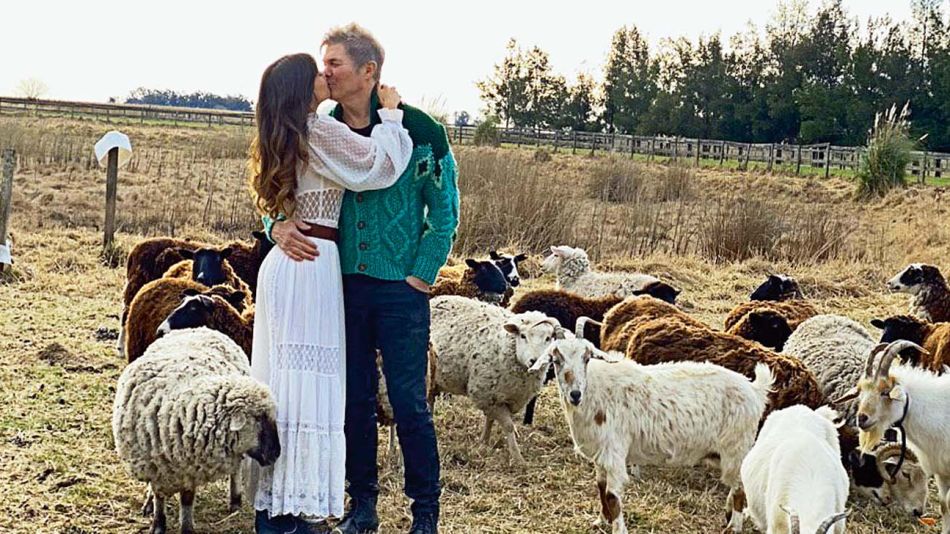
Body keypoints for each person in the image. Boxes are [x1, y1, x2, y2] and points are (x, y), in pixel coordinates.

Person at [268, 24, 459, 534]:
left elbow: (445, 213)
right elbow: (283, 186)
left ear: (368, 71)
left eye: (334, 64)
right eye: (322, 65)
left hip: (401, 289)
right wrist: (275, 225)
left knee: (408, 402)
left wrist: (422, 274)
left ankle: (425, 513)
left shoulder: (420, 129)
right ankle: (363, 505)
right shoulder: (323, 124)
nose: (324, 72)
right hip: (340, 284)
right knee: (351, 400)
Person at [248, 52, 413, 534]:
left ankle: (277, 505)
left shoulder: (284, 134)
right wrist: (393, 114)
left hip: (286, 265)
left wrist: (275, 225)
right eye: (317, 73)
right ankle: (290, 515)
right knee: (305, 388)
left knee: (283, 384)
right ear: (302, 88)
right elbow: (377, 166)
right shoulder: (315, 131)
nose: (326, 76)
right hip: (311, 264)